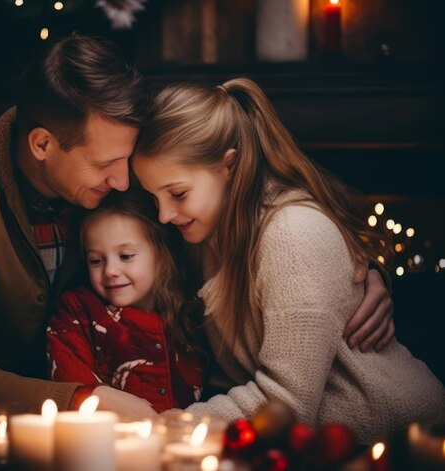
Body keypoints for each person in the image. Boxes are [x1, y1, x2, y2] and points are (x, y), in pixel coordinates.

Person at [0, 33, 394, 418]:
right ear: (42, 145)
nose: (125, 179)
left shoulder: (129, 179)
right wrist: (83, 399)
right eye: (106, 164)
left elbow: (259, 227)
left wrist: (352, 275)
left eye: (129, 161)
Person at [132, 78, 445, 442]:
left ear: (228, 166)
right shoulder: (203, 230)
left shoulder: (294, 234)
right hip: (319, 446)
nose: (164, 214)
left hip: (405, 440)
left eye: (177, 194)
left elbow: (287, 402)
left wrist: (174, 425)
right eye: (154, 198)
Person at [47, 190, 206, 413]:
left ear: (161, 254)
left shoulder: (189, 312)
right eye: (96, 260)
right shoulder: (78, 311)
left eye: (126, 256)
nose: (110, 270)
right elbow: (68, 376)